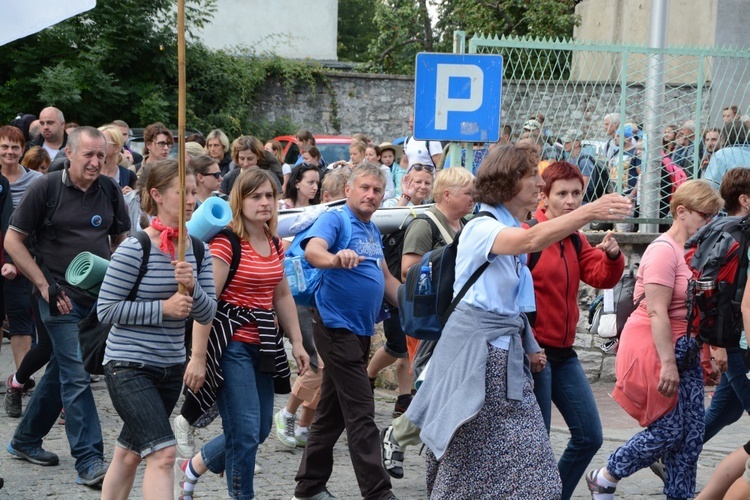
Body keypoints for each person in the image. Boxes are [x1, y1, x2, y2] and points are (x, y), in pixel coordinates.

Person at [404, 143, 631, 498]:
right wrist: (588, 211)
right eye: (532, 177)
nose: (540, 185)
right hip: (474, 361)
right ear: (509, 181)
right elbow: (528, 240)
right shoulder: (483, 226)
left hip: (504, 360)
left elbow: (517, 307)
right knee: (472, 462)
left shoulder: (510, 225)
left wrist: (528, 345)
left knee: (524, 466)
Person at [5, 126, 131, 488]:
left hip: (98, 298)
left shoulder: (108, 190)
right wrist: (43, 285)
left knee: (63, 368)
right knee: (76, 373)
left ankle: (25, 439)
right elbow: (13, 240)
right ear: (70, 154)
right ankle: (90, 460)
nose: (95, 161)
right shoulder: (44, 188)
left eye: (100, 155)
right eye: (88, 154)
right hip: (56, 296)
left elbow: (120, 240)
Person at [176, 168, 309, 500]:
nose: (264, 202)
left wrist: (297, 341)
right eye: (256, 196)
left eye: (269, 196)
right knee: (247, 432)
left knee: (260, 429)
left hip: (264, 345)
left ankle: (196, 464)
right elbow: (207, 302)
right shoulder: (225, 244)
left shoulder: (275, 243)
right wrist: (198, 357)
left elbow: (281, 296)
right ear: (240, 200)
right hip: (230, 344)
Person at [587, 180, 724, 500]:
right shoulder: (663, 251)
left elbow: (698, 307)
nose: (711, 222)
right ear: (682, 212)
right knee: (669, 431)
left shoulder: (694, 250)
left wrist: (707, 353)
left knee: (691, 438)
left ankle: (680, 495)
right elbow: (658, 313)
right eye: (707, 215)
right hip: (655, 346)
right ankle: (606, 475)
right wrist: (666, 364)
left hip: (684, 347)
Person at [97, 160, 217, 499]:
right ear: (157, 195)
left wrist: (192, 288)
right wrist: (162, 308)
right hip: (128, 366)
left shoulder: (198, 249)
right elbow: (105, 310)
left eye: (195, 192)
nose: (192, 199)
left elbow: (209, 312)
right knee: (163, 454)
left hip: (170, 368)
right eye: (184, 192)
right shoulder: (137, 248)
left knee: (129, 453)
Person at [292, 162, 402, 500]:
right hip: (333, 325)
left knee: (330, 414)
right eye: (365, 188)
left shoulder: (370, 230)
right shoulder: (337, 218)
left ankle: (309, 487)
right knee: (361, 411)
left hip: (360, 330)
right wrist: (335, 257)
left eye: (377, 190)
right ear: (349, 190)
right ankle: (378, 492)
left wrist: (418, 308)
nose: (371, 195)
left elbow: (385, 280)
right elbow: (313, 251)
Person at [527, 161, 625, 500]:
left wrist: (612, 256)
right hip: (533, 353)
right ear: (544, 196)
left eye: (576, 194)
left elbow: (600, 277)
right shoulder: (531, 234)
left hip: (564, 354)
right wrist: (528, 345)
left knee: (589, 436)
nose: (570, 201)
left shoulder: (574, 237)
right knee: (536, 444)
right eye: (562, 194)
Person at [379, 167, 475, 480]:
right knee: (433, 387)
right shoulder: (425, 223)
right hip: (431, 320)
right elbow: (409, 270)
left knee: (448, 389)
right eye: (467, 192)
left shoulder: (466, 223)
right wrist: (448, 259)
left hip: (456, 318)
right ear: (447, 195)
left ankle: (415, 442)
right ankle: (400, 436)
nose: (473, 198)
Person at [98, 125, 137, 193]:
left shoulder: (128, 176)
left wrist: (131, 195)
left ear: (116, 148)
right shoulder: (89, 173)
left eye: (103, 142)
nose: (98, 146)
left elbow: (138, 201)